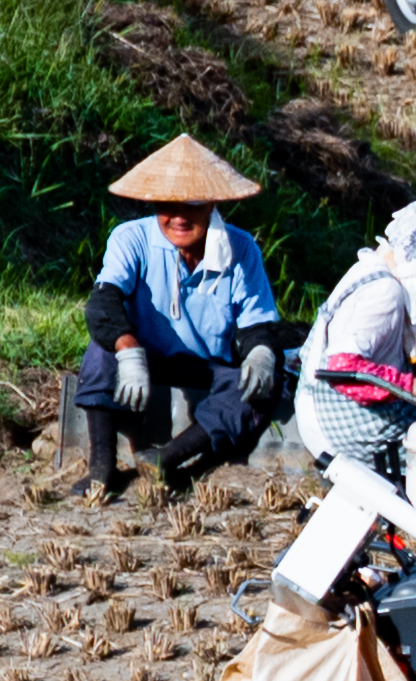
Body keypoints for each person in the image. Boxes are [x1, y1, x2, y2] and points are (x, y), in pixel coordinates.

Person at [65, 134, 286, 497]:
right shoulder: (130, 238)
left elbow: (257, 324)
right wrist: (128, 348)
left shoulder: (241, 248)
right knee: (101, 351)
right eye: (169, 205)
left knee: (262, 382)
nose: (179, 217)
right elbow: (104, 303)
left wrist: (260, 353)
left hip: (204, 363)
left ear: (211, 205)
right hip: (144, 356)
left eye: (192, 205)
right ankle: (101, 466)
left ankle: (168, 459)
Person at [294, 197, 416, 489]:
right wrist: (412, 387)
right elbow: (343, 369)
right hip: (344, 423)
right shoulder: (384, 292)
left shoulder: (386, 273)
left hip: (343, 410)